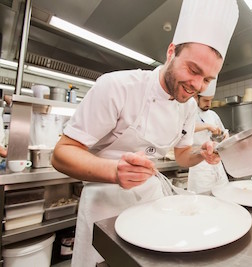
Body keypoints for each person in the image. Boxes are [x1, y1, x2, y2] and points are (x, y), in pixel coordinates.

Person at [51, 1, 239, 266]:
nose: (197, 85)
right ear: (171, 51)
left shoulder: (189, 105)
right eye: (193, 70)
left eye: (207, 79)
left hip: (152, 204)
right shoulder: (117, 86)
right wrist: (115, 171)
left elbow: (183, 155)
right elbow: (62, 154)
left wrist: (202, 154)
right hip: (104, 206)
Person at [187, 79, 229, 194]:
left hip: (216, 165)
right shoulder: (189, 112)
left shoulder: (213, 115)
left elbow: (222, 133)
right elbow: (184, 128)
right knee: (202, 202)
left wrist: (221, 136)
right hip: (199, 165)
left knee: (223, 197)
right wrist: (207, 126)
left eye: (211, 100)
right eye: (205, 100)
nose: (209, 104)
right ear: (196, 97)